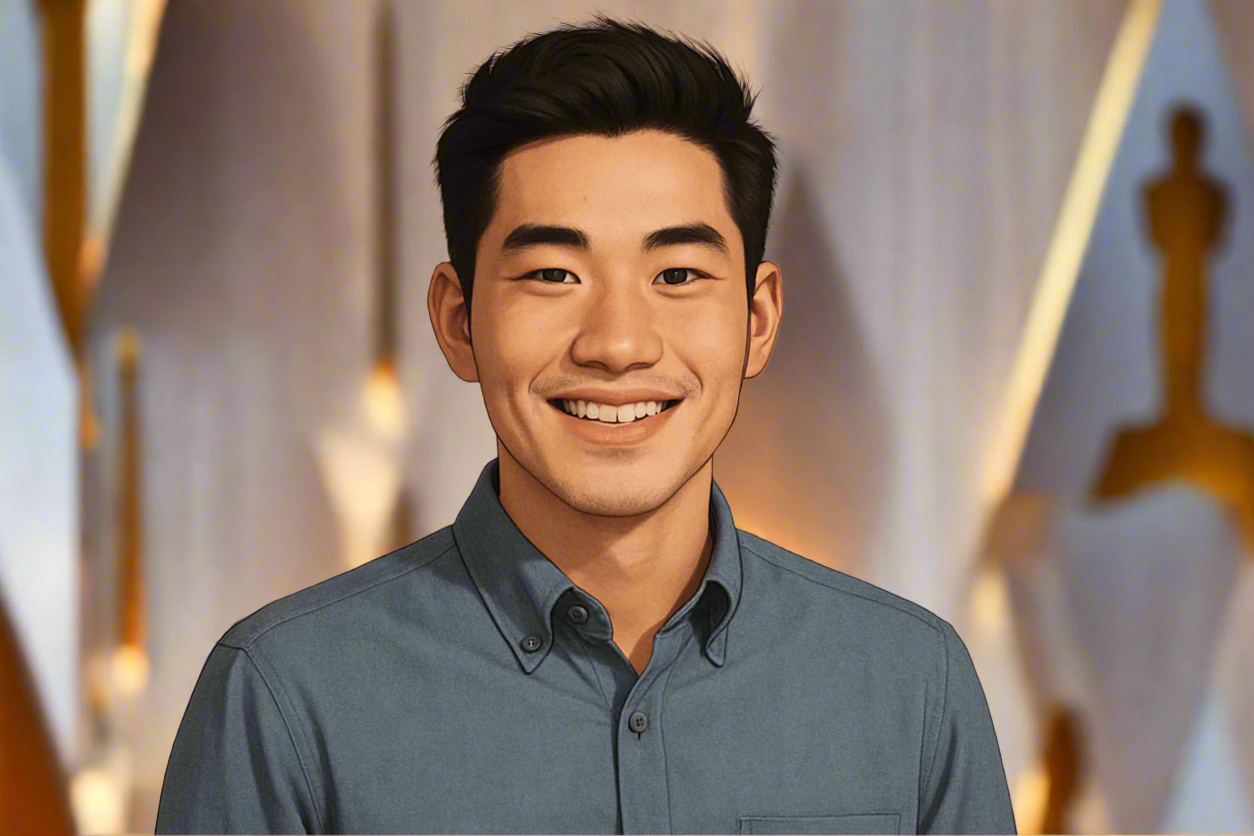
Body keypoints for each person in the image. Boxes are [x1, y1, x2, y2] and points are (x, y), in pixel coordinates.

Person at [156, 14, 1015, 835]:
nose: (617, 344)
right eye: (554, 275)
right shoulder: (285, 695)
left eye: (677, 274)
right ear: (458, 320)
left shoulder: (910, 686)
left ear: (757, 320)